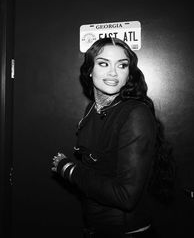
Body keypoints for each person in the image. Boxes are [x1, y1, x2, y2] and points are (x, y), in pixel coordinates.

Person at [51, 37, 175, 238]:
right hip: (96, 228)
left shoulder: (135, 114)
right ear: (90, 70)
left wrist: (69, 170)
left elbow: (126, 196)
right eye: (103, 63)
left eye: (122, 65)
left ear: (128, 74)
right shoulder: (91, 109)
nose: (113, 73)